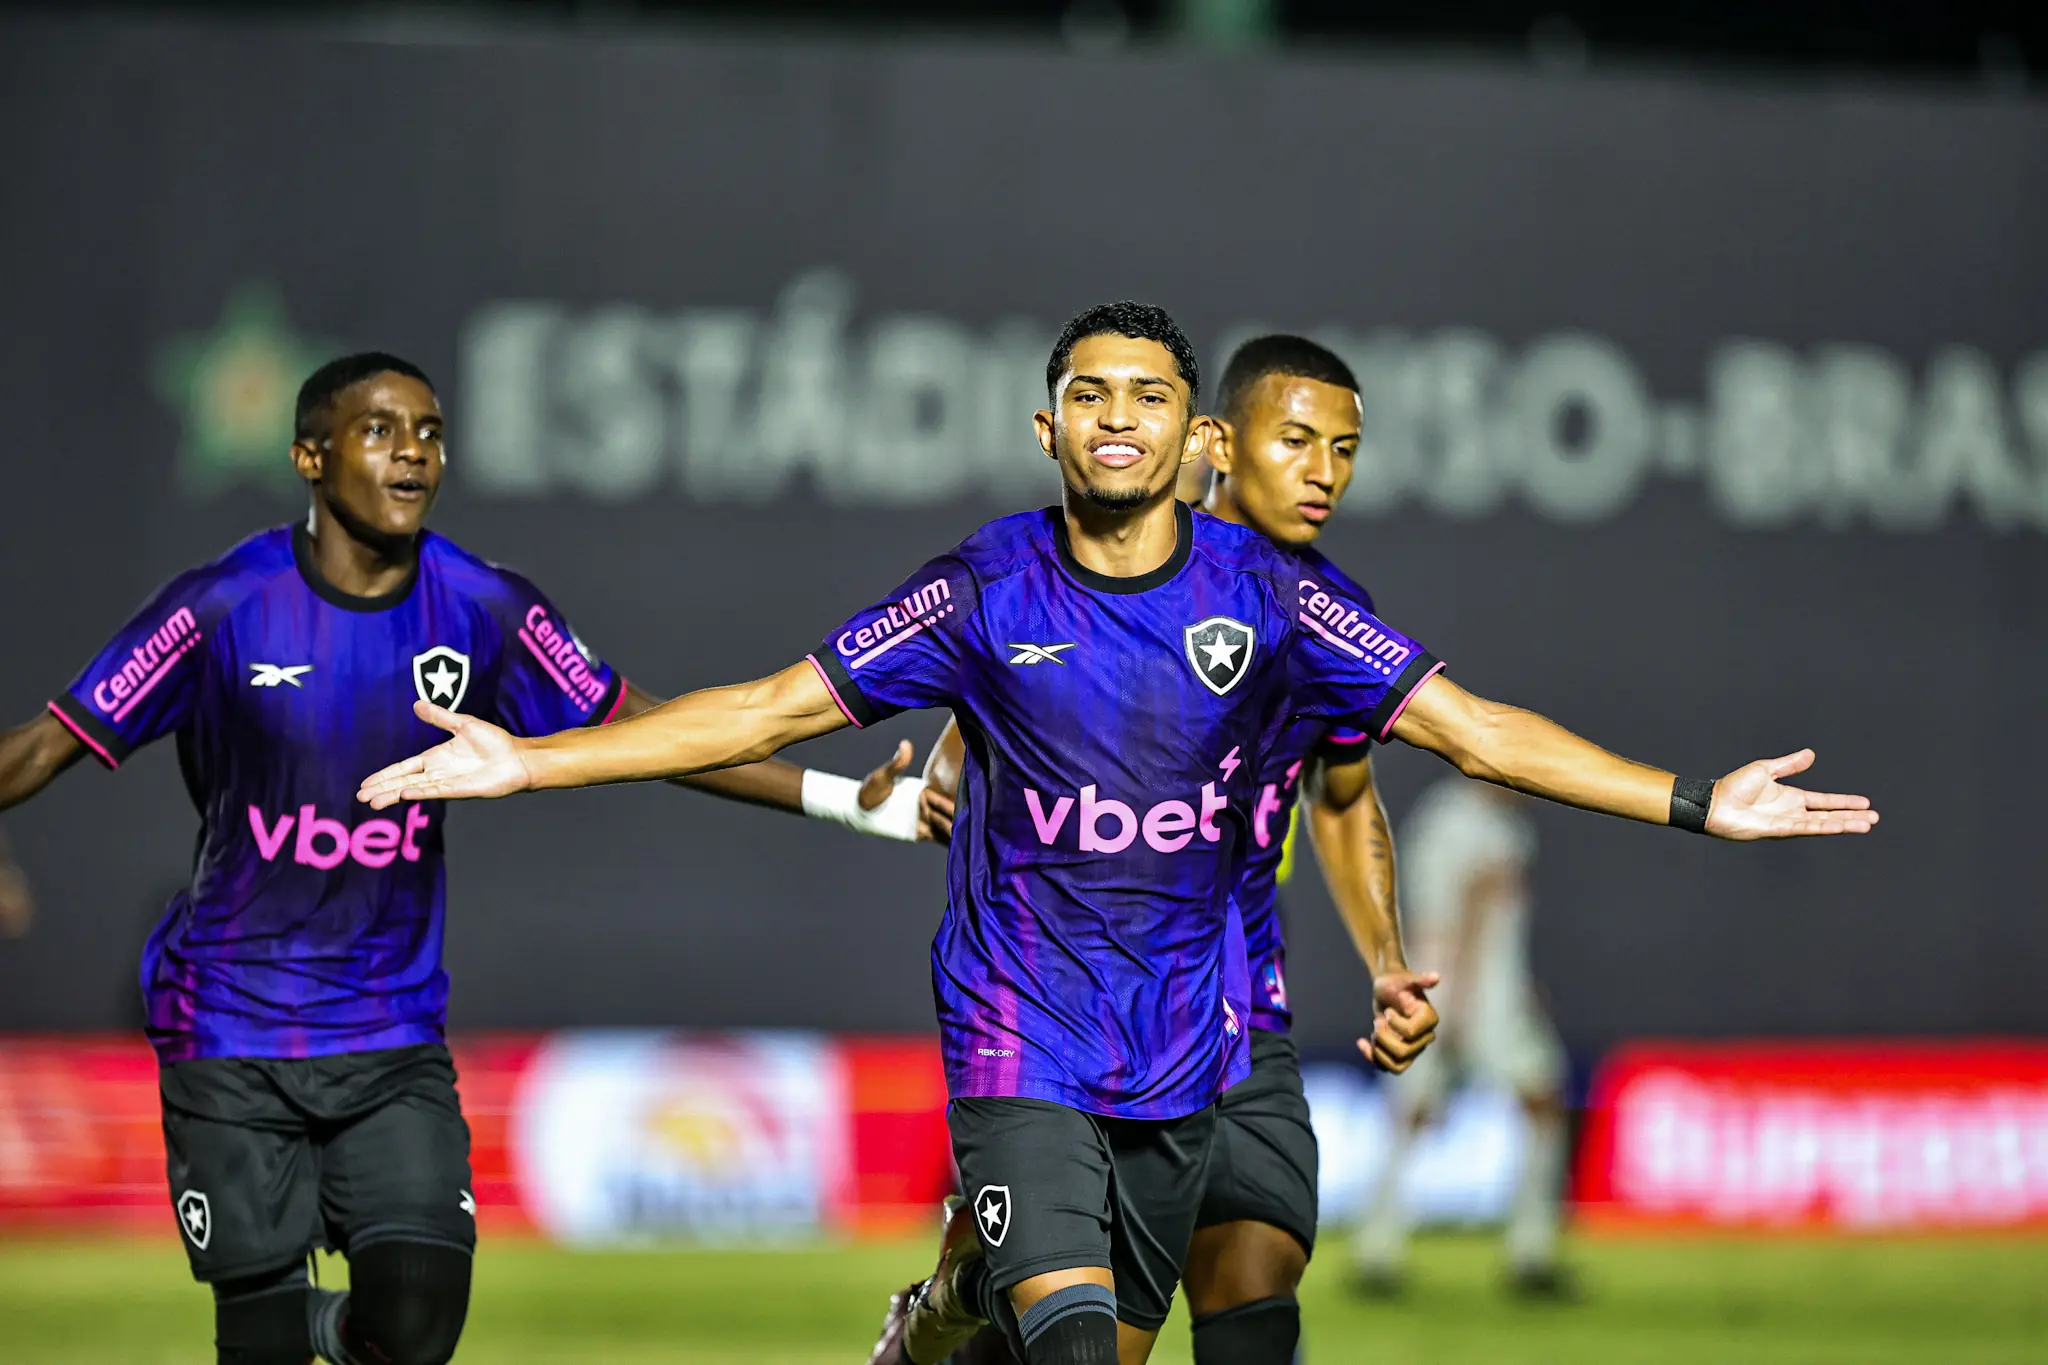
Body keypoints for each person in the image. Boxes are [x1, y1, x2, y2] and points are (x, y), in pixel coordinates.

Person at [355, 302, 1876, 1365]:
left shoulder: (1276, 601)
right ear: (1048, 427)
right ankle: (972, 1293)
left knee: (1099, 1340)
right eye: (1090, 396)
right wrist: (530, 762)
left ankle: (939, 1319)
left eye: (1146, 396)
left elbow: (1473, 733)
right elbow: (761, 711)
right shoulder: (982, 589)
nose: (1118, 420)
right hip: (1020, 1034)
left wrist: (1697, 801)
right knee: (1080, 1351)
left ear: (1185, 430)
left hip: (1193, 1047)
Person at [0, 352, 924, 1365]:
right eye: (379, 430)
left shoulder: (482, 607)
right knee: (260, 1338)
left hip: (389, 1031)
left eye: (430, 433)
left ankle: (301, 1329)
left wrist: (842, 799)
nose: (412, 453)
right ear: (310, 456)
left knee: (416, 1325)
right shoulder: (222, 605)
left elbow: (645, 730)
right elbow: (43, 746)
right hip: (231, 1030)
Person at [908, 335, 1442, 1365]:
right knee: (1085, 1335)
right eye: (1296, 441)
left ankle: (970, 1296)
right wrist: (952, 747)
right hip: (1082, 1002)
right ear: (1218, 446)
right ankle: (956, 1306)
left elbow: (1340, 798)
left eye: (1343, 450)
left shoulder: (1331, 616)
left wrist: (1386, 957)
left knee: (1258, 1270)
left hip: (1242, 997)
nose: (1323, 473)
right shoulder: (1126, 558)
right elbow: (1019, 670)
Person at [1352, 777, 1571, 1296]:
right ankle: (1530, 1252)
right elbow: (1449, 922)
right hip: (1465, 994)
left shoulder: (1486, 823)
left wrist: (1520, 984)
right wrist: (1459, 1007)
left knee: (1413, 1114)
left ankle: (1376, 1249)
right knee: (1533, 1106)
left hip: (1472, 991)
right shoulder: (1463, 825)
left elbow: (1493, 926)